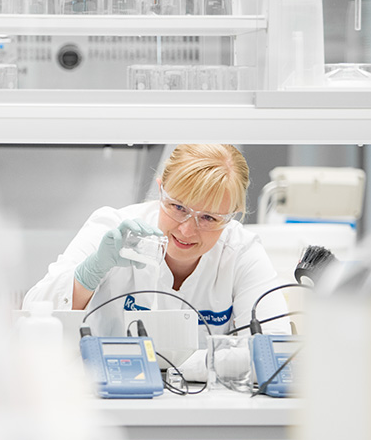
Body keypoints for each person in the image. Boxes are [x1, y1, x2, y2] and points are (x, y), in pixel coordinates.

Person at [23, 143, 289, 338]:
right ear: (161, 189)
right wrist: (88, 274)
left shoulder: (240, 251)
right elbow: (32, 314)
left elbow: (273, 349)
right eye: (178, 207)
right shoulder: (112, 228)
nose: (187, 230)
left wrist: (197, 366)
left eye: (208, 218)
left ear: (232, 216)